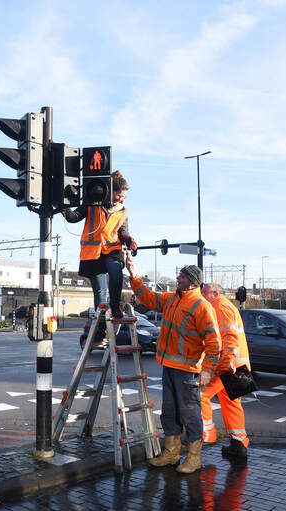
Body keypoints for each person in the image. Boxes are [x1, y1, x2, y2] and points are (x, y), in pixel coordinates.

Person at [125, 256, 219, 473]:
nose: (178, 277)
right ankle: (171, 453)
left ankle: (194, 458)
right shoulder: (173, 299)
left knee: (190, 413)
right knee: (170, 412)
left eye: (183, 275)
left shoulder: (201, 306)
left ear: (193, 282)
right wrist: (133, 274)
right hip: (169, 366)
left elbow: (215, 342)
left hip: (188, 372)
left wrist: (207, 371)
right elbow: (149, 298)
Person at [62, 170, 137, 336]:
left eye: (124, 196)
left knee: (116, 273)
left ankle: (116, 307)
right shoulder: (91, 203)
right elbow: (73, 217)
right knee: (100, 292)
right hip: (93, 251)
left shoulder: (123, 211)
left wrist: (129, 240)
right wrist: (64, 206)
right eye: (119, 195)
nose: (121, 199)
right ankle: (101, 323)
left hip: (112, 249)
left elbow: (123, 233)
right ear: (111, 191)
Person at [200, 283, 250, 458]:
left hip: (228, 366)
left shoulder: (219, 307)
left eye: (205, 292)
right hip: (238, 366)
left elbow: (229, 335)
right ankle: (239, 444)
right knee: (232, 404)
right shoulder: (227, 306)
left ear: (215, 293)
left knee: (201, 395)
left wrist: (227, 360)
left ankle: (207, 434)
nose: (202, 295)